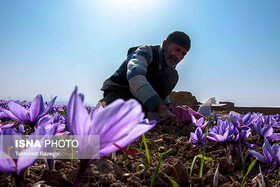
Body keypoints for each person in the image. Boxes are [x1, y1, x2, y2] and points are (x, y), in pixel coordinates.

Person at [98, 31, 191, 125]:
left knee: (172, 74)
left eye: (183, 54)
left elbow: (163, 94)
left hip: (143, 103)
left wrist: (167, 108)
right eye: (177, 49)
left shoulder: (169, 68)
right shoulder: (146, 51)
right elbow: (135, 76)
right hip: (120, 91)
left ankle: (146, 115)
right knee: (106, 119)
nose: (179, 57)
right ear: (165, 44)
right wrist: (161, 107)